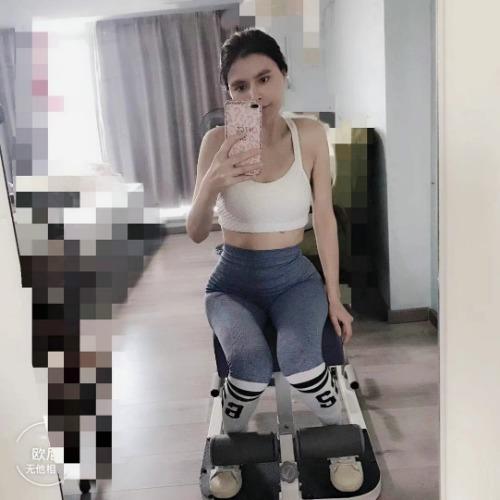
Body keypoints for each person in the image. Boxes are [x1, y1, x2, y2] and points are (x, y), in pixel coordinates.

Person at [187, 28, 362, 498]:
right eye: (240, 86)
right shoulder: (216, 141)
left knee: (301, 359)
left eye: (264, 78)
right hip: (232, 283)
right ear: (228, 92)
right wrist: (211, 183)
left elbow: (323, 218)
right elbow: (196, 231)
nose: (254, 94)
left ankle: (341, 440)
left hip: (294, 279)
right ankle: (232, 449)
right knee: (247, 363)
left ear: (283, 74)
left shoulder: (309, 135)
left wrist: (333, 298)